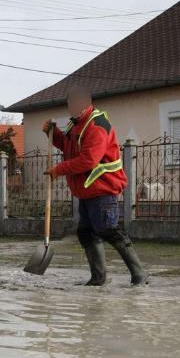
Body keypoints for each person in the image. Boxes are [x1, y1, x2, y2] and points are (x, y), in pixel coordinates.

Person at [43, 86, 147, 286]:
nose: (71, 108)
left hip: (103, 190)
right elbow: (68, 146)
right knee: (86, 232)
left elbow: (88, 160)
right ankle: (98, 278)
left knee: (108, 230)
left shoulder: (97, 125)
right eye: (69, 104)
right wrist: (53, 133)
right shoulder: (76, 125)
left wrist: (59, 169)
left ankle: (139, 274)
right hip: (86, 192)